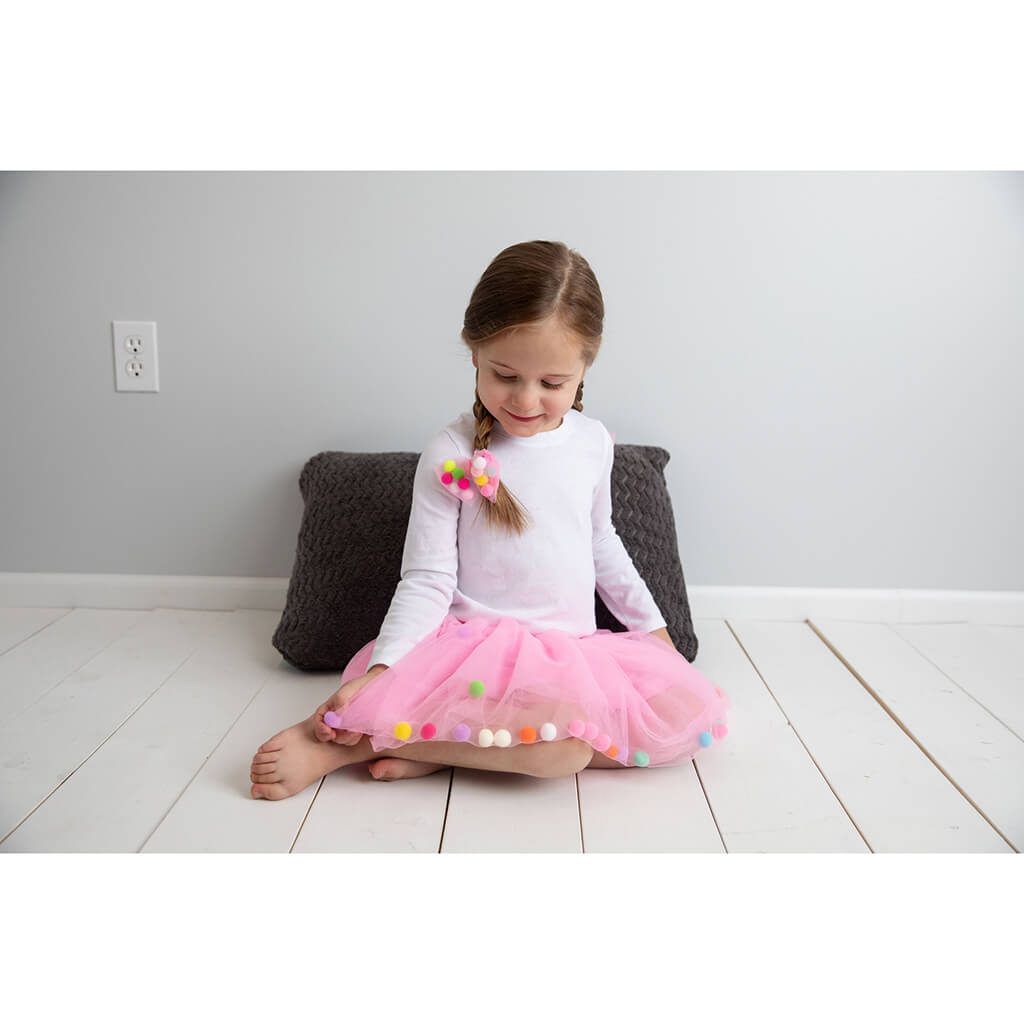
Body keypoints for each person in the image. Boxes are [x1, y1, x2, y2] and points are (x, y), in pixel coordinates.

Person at [250, 240, 730, 800]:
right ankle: (361, 742)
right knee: (568, 750)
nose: (527, 400)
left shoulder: (593, 444)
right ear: (474, 353)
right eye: (506, 375)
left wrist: (654, 632)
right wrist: (382, 673)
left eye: (551, 383)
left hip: (568, 652)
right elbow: (427, 578)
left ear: (584, 369)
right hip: (470, 654)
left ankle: (432, 748)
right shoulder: (450, 452)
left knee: (678, 727)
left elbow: (603, 542)